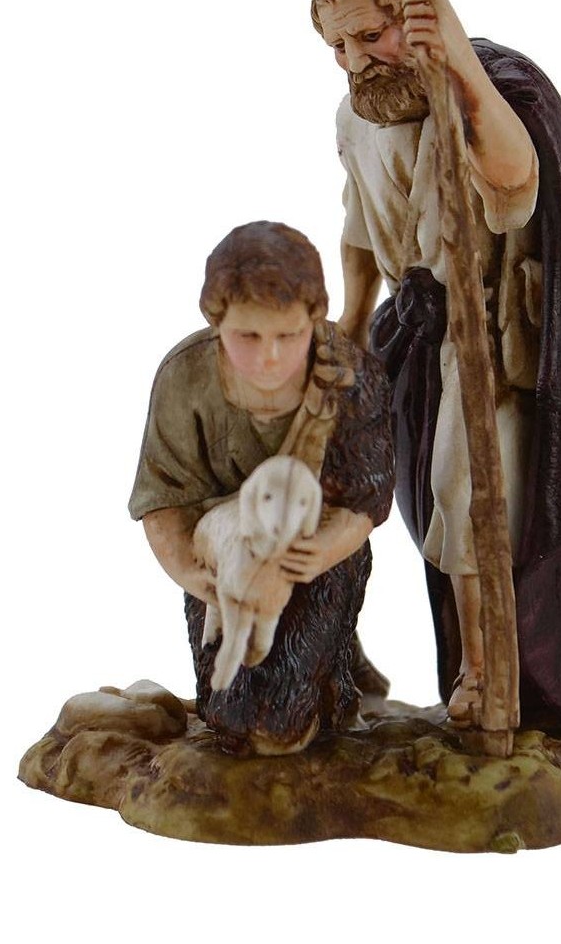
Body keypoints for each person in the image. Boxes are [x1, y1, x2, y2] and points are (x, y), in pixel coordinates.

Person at [311, 0, 561, 735]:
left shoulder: (485, 97)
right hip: (415, 339)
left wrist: (462, 70)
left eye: (370, 36)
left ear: (417, 21)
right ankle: (443, 666)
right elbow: (358, 227)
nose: (355, 61)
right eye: (337, 46)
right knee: (428, 514)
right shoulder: (355, 119)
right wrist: (354, 318)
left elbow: (514, 189)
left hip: (488, 340)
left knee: (477, 503)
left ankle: (491, 676)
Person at [128, 221, 394, 754]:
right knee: (229, 713)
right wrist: (193, 574)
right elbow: (164, 503)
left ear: (314, 320)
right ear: (217, 322)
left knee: (283, 723)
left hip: (315, 554)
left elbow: (364, 499)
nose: (269, 356)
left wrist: (323, 552)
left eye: (288, 336)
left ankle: (327, 687)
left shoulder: (348, 378)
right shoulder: (185, 379)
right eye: (248, 337)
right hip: (222, 558)